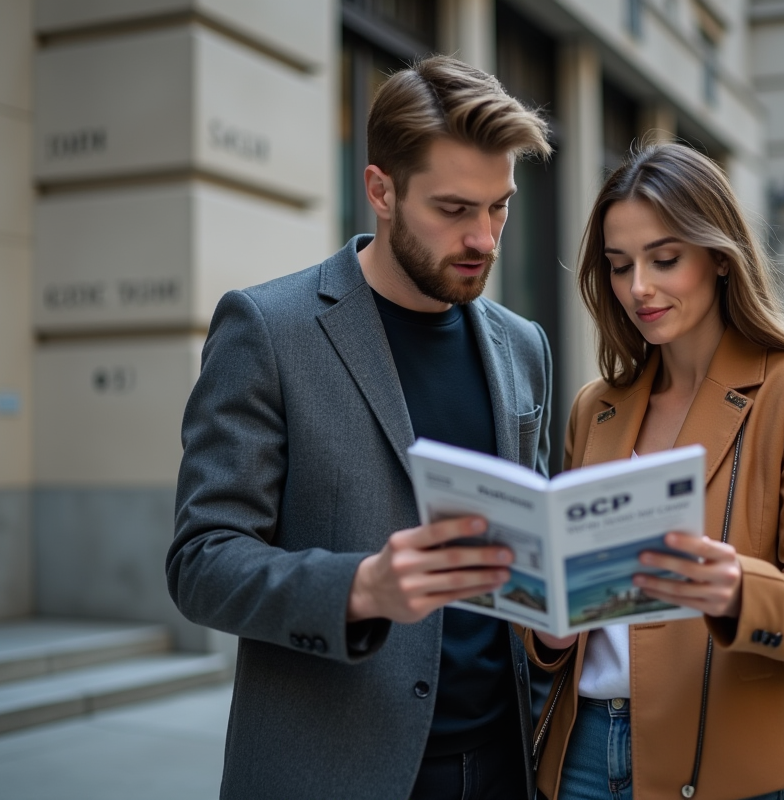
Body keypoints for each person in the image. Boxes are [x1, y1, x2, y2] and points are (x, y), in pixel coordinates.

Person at [166, 56, 553, 800]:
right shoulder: (267, 330)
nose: (485, 238)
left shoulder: (523, 344)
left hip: (511, 765)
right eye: (453, 209)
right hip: (338, 768)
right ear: (381, 189)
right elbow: (202, 562)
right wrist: (361, 588)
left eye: (498, 206)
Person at [523, 143, 784, 800]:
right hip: (580, 754)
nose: (639, 288)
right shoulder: (595, 407)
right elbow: (564, 601)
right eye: (620, 267)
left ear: (718, 256)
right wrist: (545, 626)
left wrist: (737, 589)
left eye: (665, 259)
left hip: (722, 761)